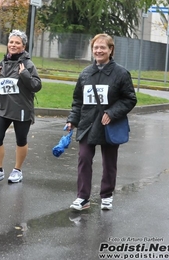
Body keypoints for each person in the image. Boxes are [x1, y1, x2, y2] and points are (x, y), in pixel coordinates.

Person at [65, 33, 137, 210]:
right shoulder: (85, 74)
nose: (98, 50)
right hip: (87, 124)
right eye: (95, 47)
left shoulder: (120, 73)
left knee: (109, 161)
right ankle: (83, 197)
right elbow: (78, 101)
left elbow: (129, 99)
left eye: (102, 47)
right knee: (84, 158)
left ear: (110, 50)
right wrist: (72, 120)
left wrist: (112, 112)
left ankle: (106, 195)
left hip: (108, 125)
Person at [0, 30, 42, 184]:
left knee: (21, 140)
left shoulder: (28, 64)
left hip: (21, 109)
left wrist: (24, 74)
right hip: (2, 108)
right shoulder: (2, 63)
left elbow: (36, 86)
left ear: (23, 47)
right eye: (11, 42)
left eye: (17, 43)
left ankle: (17, 170)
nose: (13, 45)